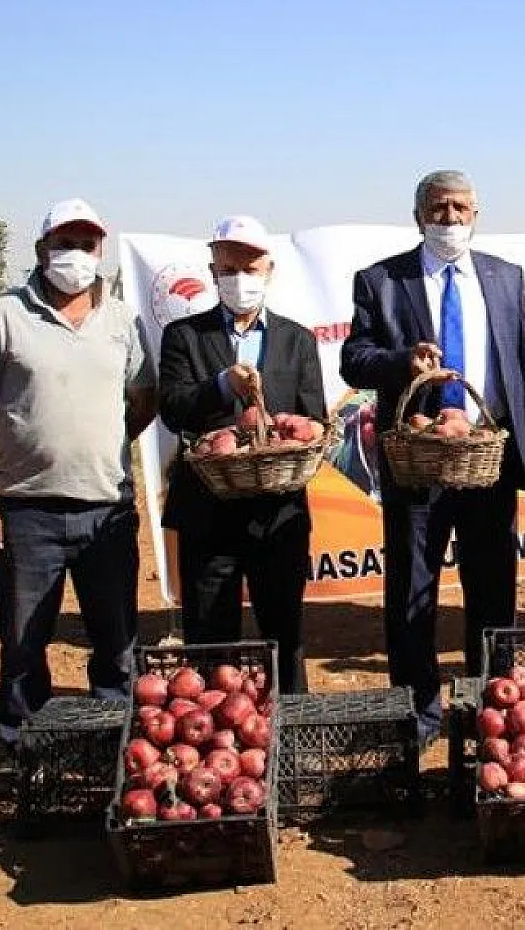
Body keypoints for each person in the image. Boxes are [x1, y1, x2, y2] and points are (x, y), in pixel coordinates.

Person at [340, 170, 525, 743]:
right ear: (418, 216)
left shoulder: (504, 278)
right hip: (419, 462)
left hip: (487, 459)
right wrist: (400, 361)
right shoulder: (383, 279)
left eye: (463, 208)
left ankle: (493, 704)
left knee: (493, 588)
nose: (451, 219)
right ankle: (417, 714)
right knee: (413, 591)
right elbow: (354, 360)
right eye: (439, 209)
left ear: (477, 214)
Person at [0, 199, 158, 769]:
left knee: (117, 644)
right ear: (42, 250)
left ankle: (116, 750)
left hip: (107, 509)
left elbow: (142, 399)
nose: (75, 255)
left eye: (87, 244)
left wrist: (104, 439)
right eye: (63, 243)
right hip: (26, 512)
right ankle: (26, 754)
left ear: (101, 251)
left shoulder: (121, 320)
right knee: (23, 644)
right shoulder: (2, 315)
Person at [159, 215, 326, 694]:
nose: (240, 279)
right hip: (207, 514)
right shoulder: (183, 336)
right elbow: (173, 410)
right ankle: (217, 750)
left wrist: (294, 429)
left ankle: (292, 739)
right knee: (210, 641)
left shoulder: (298, 340)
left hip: (278, 514)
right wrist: (219, 387)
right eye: (229, 268)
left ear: (269, 269)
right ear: (213, 271)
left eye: (250, 267)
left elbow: (312, 419)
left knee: (284, 637)